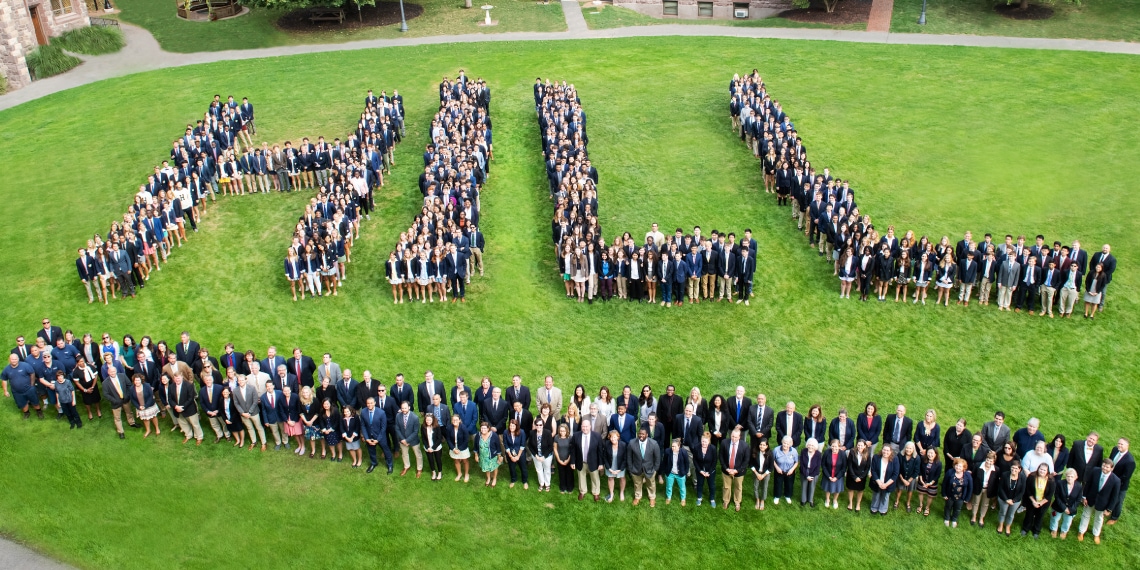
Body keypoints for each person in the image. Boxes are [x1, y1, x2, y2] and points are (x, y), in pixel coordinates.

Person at [1079, 459, 1121, 544]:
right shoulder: (1095, 471)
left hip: (1103, 504)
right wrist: (1084, 497)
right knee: (1085, 515)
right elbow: (1088, 484)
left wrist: (1109, 509)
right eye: (1103, 466)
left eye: (1107, 467)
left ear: (1111, 468)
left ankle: (1096, 534)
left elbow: (1114, 496)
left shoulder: (1116, 480)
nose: (1104, 468)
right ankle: (1081, 531)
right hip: (1090, 499)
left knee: (1099, 519)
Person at [627, 427, 660, 507]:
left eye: (643, 434)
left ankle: (652, 497)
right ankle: (637, 496)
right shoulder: (631, 443)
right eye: (640, 434)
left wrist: (655, 469)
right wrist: (631, 469)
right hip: (636, 469)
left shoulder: (654, 444)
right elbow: (629, 457)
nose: (641, 435)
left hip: (649, 469)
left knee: (651, 484)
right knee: (637, 484)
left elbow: (657, 458)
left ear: (647, 435)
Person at [1021, 462, 1055, 538]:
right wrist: (1034, 501)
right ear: (1038, 469)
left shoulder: (1051, 480)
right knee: (1029, 515)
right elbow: (1028, 490)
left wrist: (1040, 503)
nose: (1042, 471)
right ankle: (1025, 529)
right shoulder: (1032, 476)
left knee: (1040, 516)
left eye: (1044, 470)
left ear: (1047, 471)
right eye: (1041, 469)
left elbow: (1050, 495)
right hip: (1032, 500)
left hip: (1044, 502)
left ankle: (1036, 531)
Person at [572, 419, 602, 501]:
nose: (585, 428)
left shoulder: (597, 436)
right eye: (583, 426)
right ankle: (582, 491)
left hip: (593, 461)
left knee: (595, 477)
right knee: (581, 477)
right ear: (581, 427)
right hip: (580, 461)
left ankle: (596, 493)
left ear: (590, 427)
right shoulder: (576, 435)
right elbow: (573, 450)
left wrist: (601, 463)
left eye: (586, 426)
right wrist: (572, 462)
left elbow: (600, 451)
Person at [169, 373, 203, 445]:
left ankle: (199, 437)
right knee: (183, 423)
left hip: (189, 408)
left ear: (182, 377)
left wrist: (182, 407)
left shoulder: (188, 385)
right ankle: (188, 435)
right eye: (175, 378)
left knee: (195, 424)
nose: (177, 380)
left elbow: (191, 398)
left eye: (178, 378)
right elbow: (170, 399)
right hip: (177, 409)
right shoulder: (171, 386)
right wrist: (175, 406)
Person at [360, 397, 392, 474]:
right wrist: (366, 438)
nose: (369, 405)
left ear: (374, 403)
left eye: (371, 403)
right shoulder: (363, 412)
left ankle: (390, 465)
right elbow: (363, 425)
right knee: (371, 451)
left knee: (386, 451)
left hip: (380, 436)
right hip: (369, 436)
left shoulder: (381, 413)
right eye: (368, 403)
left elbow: (383, 427)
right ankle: (373, 463)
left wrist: (378, 439)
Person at [1050, 468, 1083, 539]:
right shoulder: (1060, 483)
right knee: (1055, 518)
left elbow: (1078, 499)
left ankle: (1064, 531)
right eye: (1068, 476)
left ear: (1076, 477)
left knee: (1068, 521)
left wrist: (1071, 509)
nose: (1070, 478)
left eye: (1072, 477)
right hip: (1058, 506)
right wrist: (1064, 508)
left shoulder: (1079, 486)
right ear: (1065, 476)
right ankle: (1054, 529)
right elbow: (1057, 496)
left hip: (1071, 508)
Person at [996, 460, 1026, 537]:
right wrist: (1006, 499)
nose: (1014, 470)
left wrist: (1014, 500)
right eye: (1012, 468)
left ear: (1019, 469)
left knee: (1011, 514)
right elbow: (1000, 488)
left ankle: (1008, 526)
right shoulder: (1005, 475)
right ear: (1010, 468)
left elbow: (1022, 491)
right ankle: (1000, 525)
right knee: (1002, 512)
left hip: (1015, 500)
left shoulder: (1022, 477)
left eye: (1016, 468)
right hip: (1004, 498)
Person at [942, 458, 974, 527]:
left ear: (964, 468)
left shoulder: (967, 475)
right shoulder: (950, 472)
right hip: (950, 495)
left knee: (957, 509)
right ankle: (947, 518)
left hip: (961, 497)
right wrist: (944, 494)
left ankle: (954, 519)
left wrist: (967, 498)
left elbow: (970, 487)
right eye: (956, 465)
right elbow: (944, 483)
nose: (958, 467)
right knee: (948, 507)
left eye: (960, 466)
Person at [969, 451, 999, 527]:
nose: (988, 462)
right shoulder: (978, 466)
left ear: (993, 461)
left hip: (988, 490)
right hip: (978, 487)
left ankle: (981, 518)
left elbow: (996, 482)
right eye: (987, 460)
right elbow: (973, 477)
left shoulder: (996, 469)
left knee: (985, 504)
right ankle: (974, 516)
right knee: (976, 502)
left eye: (991, 461)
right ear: (985, 459)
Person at [1109, 438, 1134, 525]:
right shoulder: (1115, 449)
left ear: (1127, 446)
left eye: (1122, 444)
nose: (1119, 445)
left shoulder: (1130, 461)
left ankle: (1114, 517)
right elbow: (1110, 461)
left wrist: (1114, 481)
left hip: (1121, 484)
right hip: (1110, 478)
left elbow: (1125, 476)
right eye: (1118, 443)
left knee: (1118, 500)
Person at [394, 401, 423, 478]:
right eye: (402, 408)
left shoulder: (415, 417)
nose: (403, 410)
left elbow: (416, 431)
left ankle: (419, 468)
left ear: (409, 408)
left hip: (413, 440)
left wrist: (407, 440)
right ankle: (406, 466)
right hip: (402, 440)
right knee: (404, 454)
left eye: (405, 408)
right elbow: (397, 428)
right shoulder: (398, 416)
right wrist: (403, 440)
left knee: (418, 455)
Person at [869, 444, 899, 515]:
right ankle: (874, 507)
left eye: (888, 450)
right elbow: (873, 471)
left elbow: (895, 474)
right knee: (876, 495)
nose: (886, 452)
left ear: (891, 451)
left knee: (885, 496)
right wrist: (879, 482)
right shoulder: (876, 457)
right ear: (882, 450)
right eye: (884, 450)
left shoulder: (895, 459)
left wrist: (886, 484)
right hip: (877, 481)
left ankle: (883, 509)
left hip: (888, 483)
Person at [772, 434, 798, 506]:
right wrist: (777, 468)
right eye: (784, 443)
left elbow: (796, 462)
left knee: (789, 484)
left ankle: (787, 496)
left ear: (790, 444)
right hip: (779, 470)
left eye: (787, 443)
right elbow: (772, 460)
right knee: (778, 483)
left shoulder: (794, 451)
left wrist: (792, 470)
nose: (785, 445)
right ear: (782, 442)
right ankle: (777, 496)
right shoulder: (776, 450)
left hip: (789, 471)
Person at [601, 429, 627, 502]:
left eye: (615, 437)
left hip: (620, 465)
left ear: (618, 437)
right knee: (610, 478)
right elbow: (604, 457)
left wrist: (620, 469)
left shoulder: (623, 445)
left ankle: (621, 492)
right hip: (610, 465)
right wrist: (609, 468)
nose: (613, 439)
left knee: (622, 478)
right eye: (611, 437)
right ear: (609, 438)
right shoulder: (607, 444)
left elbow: (625, 458)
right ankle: (611, 493)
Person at [445, 413, 472, 483]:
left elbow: (466, 440)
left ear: (460, 420)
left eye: (456, 420)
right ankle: (459, 474)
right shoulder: (449, 428)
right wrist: (453, 448)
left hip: (462, 447)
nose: (455, 421)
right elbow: (448, 439)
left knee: (465, 461)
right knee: (456, 461)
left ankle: (466, 474)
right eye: (453, 420)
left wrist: (459, 449)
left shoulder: (463, 428)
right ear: (451, 421)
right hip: (453, 447)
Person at [916, 447, 942, 517]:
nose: (930, 455)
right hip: (922, 480)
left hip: (932, 482)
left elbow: (937, 475)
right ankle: (920, 505)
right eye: (928, 452)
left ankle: (927, 508)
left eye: (932, 453)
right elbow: (920, 469)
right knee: (921, 492)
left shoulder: (939, 463)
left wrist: (930, 483)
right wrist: (921, 480)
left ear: (935, 454)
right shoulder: (922, 459)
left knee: (930, 496)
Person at [504, 418, 529, 490]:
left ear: (516, 426)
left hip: (520, 453)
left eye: (513, 426)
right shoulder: (506, 432)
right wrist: (511, 456)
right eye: (510, 426)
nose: (512, 427)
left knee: (523, 468)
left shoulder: (522, 432)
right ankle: (513, 480)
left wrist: (518, 456)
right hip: (510, 453)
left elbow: (522, 445)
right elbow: (506, 445)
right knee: (511, 468)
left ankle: (525, 481)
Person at [663, 438, 689, 506]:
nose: (673, 448)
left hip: (680, 473)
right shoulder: (667, 451)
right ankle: (668, 497)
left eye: (675, 446)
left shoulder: (683, 452)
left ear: (679, 446)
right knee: (668, 486)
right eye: (672, 446)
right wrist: (666, 471)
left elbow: (687, 463)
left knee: (682, 487)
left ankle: (683, 499)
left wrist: (685, 472)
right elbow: (664, 462)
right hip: (670, 473)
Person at [530, 418, 554, 492]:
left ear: (543, 425)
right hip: (536, 456)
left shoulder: (548, 433)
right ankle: (541, 483)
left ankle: (547, 484)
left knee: (547, 470)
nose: (538, 426)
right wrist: (536, 455)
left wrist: (544, 456)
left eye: (540, 425)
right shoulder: (532, 433)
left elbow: (550, 446)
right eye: (537, 425)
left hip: (546, 456)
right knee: (539, 470)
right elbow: (529, 445)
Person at [846, 439, 871, 511]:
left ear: (865, 446)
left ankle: (858, 504)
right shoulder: (852, 452)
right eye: (858, 445)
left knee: (860, 490)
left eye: (861, 445)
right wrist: (854, 476)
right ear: (856, 445)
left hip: (861, 476)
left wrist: (861, 477)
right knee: (851, 489)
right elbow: (849, 465)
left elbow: (867, 467)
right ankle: (850, 503)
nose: (860, 447)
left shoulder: (867, 454)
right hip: (852, 475)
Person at [895, 441, 920, 512]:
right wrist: (903, 480)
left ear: (913, 449)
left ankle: (908, 502)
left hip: (911, 478)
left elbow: (916, 471)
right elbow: (897, 468)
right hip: (901, 476)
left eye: (910, 448)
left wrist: (909, 481)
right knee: (899, 489)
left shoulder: (917, 458)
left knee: (910, 490)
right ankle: (896, 501)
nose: (908, 450)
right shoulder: (900, 455)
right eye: (907, 448)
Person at [421, 412, 445, 481]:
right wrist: (428, 447)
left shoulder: (437, 427)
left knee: (438, 460)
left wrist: (433, 448)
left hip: (436, 447)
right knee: (430, 460)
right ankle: (433, 472)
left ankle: (440, 472)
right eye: (427, 420)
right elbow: (423, 438)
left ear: (433, 420)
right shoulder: (423, 427)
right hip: (428, 447)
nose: (428, 421)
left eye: (430, 420)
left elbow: (439, 438)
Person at [799, 438, 822, 507]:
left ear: (815, 447)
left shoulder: (818, 454)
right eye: (809, 445)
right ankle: (803, 500)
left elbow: (818, 467)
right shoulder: (803, 451)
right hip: (804, 471)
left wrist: (811, 476)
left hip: (814, 472)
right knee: (804, 485)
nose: (810, 447)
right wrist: (806, 475)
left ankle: (810, 500)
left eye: (812, 445)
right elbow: (802, 465)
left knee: (812, 486)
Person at [554, 423, 574, 494]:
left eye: (564, 431)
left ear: (567, 431)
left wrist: (568, 459)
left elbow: (572, 450)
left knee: (569, 474)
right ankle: (562, 487)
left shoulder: (570, 438)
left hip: (568, 458)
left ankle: (570, 488)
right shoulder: (556, 437)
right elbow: (555, 449)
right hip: (560, 459)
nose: (562, 432)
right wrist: (559, 459)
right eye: (561, 431)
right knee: (561, 474)